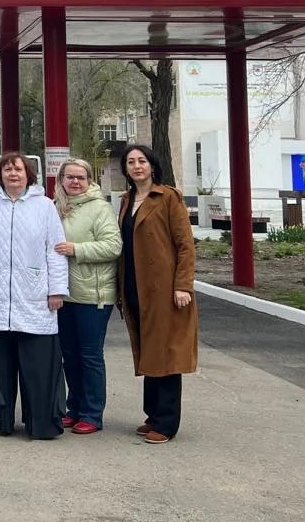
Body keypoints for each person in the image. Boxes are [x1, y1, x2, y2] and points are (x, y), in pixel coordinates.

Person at [0, 151, 68, 440]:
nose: (13, 174)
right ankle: (3, 419)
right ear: (0, 175)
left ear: (28, 174)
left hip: (34, 297)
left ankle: (42, 423)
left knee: (39, 368)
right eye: (7, 170)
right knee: (0, 367)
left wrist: (57, 290)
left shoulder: (44, 207)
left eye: (18, 169)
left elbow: (55, 251)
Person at [118, 144, 198, 444]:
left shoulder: (168, 197)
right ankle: (152, 415)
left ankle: (166, 423)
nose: (137, 166)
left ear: (152, 166)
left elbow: (185, 245)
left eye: (142, 161)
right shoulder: (126, 200)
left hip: (164, 289)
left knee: (166, 354)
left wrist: (183, 285)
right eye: (131, 162)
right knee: (148, 350)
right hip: (135, 286)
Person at [52, 158, 122, 435]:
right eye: (70, 177)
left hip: (93, 296)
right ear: (61, 179)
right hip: (64, 295)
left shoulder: (99, 208)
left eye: (81, 177)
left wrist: (76, 249)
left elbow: (113, 246)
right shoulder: (56, 207)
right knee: (69, 355)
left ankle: (92, 413)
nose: (75, 182)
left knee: (90, 356)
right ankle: (74, 408)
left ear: (89, 180)